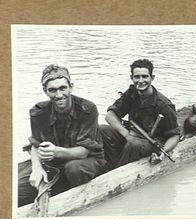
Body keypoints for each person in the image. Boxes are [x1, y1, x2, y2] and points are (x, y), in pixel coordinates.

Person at [18, 64, 106, 207]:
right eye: (52, 90)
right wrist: (37, 168)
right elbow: (35, 145)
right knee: (17, 191)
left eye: (62, 88)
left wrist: (56, 151)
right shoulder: (38, 112)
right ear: (45, 91)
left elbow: (83, 152)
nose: (59, 95)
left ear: (71, 87)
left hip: (87, 160)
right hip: (54, 164)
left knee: (73, 169)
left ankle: (72, 201)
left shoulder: (87, 109)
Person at [99, 59, 180, 169]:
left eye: (145, 76)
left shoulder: (163, 105)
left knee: (133, 145)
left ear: (152, 78)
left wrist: (164, 151)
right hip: (131, 135)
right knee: (102, 130)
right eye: (137, 77)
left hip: (151, 143)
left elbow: (174, 135)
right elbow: (110, 115)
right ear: (131, 78)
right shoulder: (131, 94)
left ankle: (116, 171)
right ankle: (110, 165)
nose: (141, 81)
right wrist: (126, 134)